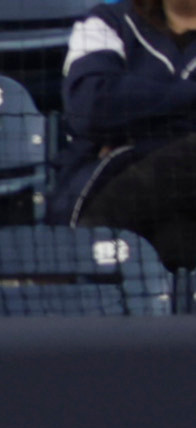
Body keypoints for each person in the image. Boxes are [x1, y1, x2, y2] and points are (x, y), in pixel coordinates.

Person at [54, 0, 196, 265]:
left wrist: (132, 112)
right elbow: (89, 107)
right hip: (109, 178)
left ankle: (75, 258)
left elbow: (110, 106)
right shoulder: (107, 22)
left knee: (176, 239)